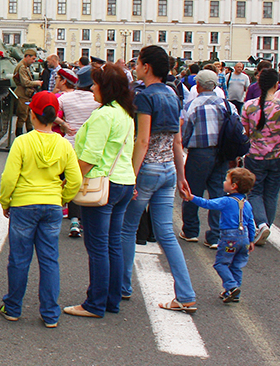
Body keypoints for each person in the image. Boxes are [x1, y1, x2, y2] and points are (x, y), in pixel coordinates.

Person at [118, 45, 197, 313]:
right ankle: (185, 293)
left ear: (147, 67)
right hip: (168, 170)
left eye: (138, 63)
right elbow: (177, 141)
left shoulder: (144, 97)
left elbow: (142, 140)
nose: (135, 67)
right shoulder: (173, 95)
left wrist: (131, 176)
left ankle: (123, 285)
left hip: (147, 169)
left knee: (128, 228)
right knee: (166, 233)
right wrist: (182, 176)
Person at [0, 92, 81, 327]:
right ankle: (50, 313)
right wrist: (62, 198)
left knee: (19, 259)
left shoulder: (22, 142)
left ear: (33, 115)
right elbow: (75, 179)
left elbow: (9, 178)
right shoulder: (63, 144)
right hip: (52, 205)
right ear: (55, 117)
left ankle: (12, 308)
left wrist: (6, 201)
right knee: (49, 260)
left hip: (23, 205)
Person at [62, 63, 136, 319]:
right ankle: (111, 299)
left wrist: (69, 183)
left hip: (102, 183)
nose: (92, 88)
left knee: (97, 246)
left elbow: (89, 157)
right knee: (113, 244)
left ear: (107, 88)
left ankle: (94, 303)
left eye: (95, 84)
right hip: (124, 181)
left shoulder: (103, 115)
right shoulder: (125, 113)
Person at [181, 167, 256, 303]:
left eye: (226, 180)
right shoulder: (247, 204)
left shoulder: (226, 201)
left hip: (229, 238)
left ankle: (231, 287)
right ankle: (234, 292)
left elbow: (208, 204)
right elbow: (251, 223)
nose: (223, 182)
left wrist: (191, 197)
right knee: (236, 266)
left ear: (233, 186)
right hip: (244, 238)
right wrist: (251, 240)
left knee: (221, 264)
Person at [180, 70, 229, 248]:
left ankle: (191, 230)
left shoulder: (193, 105)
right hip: (221, 152)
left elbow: (185, 132)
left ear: (198, 85)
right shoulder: (226, 105)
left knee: (193, 190)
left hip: (199, 152)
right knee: (217, 191)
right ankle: (215, 235)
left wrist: (184, 145)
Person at [240, 68, 280, 246]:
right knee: (272, 193)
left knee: (255, 192)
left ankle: (261, 224)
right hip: (279, 155)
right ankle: (266, 226)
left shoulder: (249, 106)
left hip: (255, 155)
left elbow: (245, 132)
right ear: (276, 85)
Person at [54, 66, 99, 238]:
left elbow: (49, 112)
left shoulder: (66, 97)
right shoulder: (97, 100)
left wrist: (63, 124)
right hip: (89, 144)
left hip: (69, 143)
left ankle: (72, 219)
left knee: (70, 180)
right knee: (87, 182)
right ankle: (85, 220)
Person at [12, 49, 43, 136]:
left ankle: (29, 132)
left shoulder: (24, 66)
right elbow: (25, 82)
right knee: (23, 115)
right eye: (33, 59)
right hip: (22, 94)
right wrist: (37, 83)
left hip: (26, 94)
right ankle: (19, 134)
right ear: (27, 56)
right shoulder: (22, 67)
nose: (33, 61)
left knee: (28, 115)